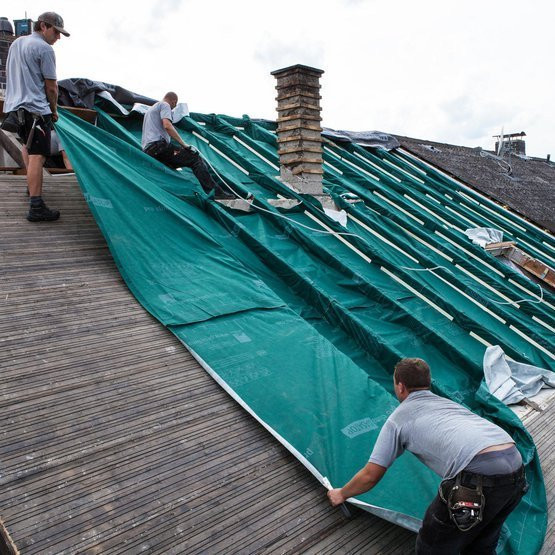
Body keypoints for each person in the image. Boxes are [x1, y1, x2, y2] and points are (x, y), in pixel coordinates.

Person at [327, 358, 528, 554]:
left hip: (478, 478)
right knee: (481, 544)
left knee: (433, 546)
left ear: (400, 386)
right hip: (516, 467)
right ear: (428, 382)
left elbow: (371, 475)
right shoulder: (448, 404)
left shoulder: (398, 419)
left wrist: (342, 494)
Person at [3, 12, 70, 221]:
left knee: (27, 147)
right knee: (38, 155)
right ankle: (36, 206)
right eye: (56, 32)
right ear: (43, 26)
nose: (58, 37)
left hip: (16, 108)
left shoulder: (17, 44)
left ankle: (31, 187)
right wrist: (54, 110)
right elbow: (51, 87)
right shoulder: (45, 49)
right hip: (36, 110)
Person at [141, 92, 233, 199]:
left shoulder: (150, 110)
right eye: (174, 106)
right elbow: (167, 126)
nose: (173, 108)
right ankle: (218, 194)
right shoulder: (165, 105)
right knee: (195, 159)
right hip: (159, 147)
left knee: (172, 166)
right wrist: (184, 145)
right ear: (174, 101)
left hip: (149, 151)